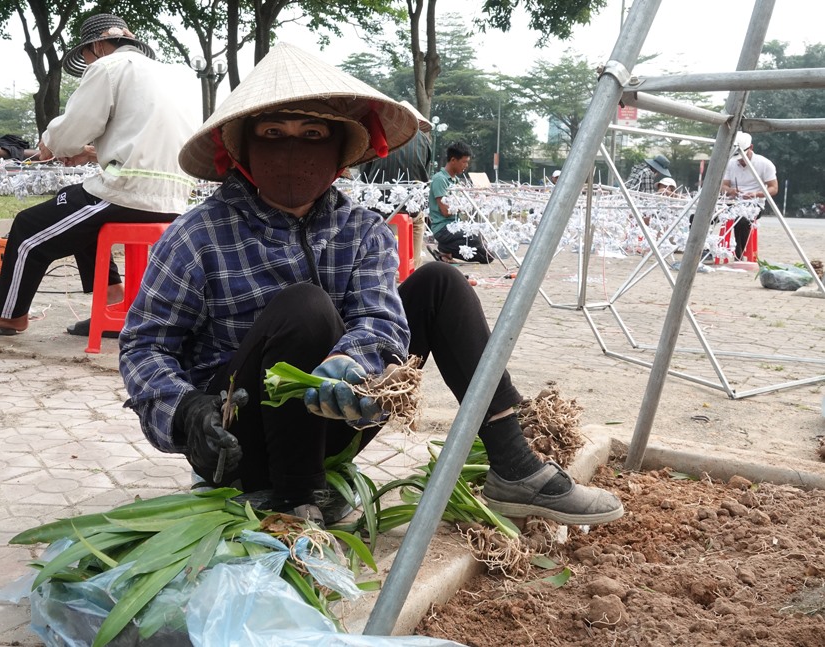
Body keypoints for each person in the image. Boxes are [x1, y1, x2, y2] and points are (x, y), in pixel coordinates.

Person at [118, 42, 623, 529]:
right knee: (305, 306)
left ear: (339, 149)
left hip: (337, 420)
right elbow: (145, 344)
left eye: (312, 135)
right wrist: (184, 410)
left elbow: (381, 319)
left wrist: (354, 362)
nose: (292, 150)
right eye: (273, 134)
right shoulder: (199, 234)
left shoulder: (363, 231)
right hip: (236, 442)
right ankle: (295, 502)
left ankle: (514, 464)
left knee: (441, 282)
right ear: (244, 149)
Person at [0, 14, 194, 336]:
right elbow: (141, 138)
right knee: (81, 207)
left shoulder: (108, 67)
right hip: (175, 194)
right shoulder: (173, 76)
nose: (89, 61)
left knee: (28, 228)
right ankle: (112, 301)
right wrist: (90, 152)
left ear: (96, 46)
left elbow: (72, 129)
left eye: (88, 55)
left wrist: (50, 143)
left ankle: (8, 316)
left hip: (129, 189)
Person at [359, 100, 434, 269]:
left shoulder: (378, 138)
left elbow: (364, 178)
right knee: (418, 222)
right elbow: (424, 175)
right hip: (410, 206)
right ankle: (412, 267)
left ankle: (379, 264)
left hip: (377, 206)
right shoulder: (424, 140)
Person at [428, 141, 493, 264]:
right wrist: (465, 205)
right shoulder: (440, 180)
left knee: (488, 256)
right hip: (443, 229)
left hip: (455, 226)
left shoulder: (456, 181)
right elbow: (446, 211)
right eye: (464, 162)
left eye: (467, 162)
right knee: (476, 238)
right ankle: (444, 248)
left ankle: (447, 251)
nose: (466, 165)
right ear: (453, 160)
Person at [721, 132, 778, 260]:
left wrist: (756, 194)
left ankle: (739, 253)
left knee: (741, 219)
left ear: (751, 147)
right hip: (732, 202)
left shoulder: (764, 164)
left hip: (754, 204)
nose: (740, 160)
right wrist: (731, 191)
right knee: (698, 216)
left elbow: (774, 188)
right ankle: (704, 250)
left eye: (742, 156)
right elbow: (723, 186)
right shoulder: (730, 163)